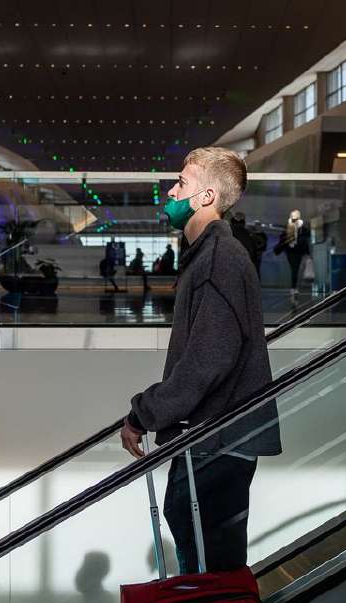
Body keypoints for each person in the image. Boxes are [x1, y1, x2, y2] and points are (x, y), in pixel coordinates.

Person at [120, 147, 282, 574]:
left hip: (216, 443)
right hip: (210, 439)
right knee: (210, 566)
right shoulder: (208, 257)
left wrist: (143, 414)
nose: (171, 190)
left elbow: (206, 363)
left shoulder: (219, 260)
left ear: (207, 196)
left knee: (215, 573)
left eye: (181, 183)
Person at [273, 209, 311, 299]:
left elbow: (305, 239)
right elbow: (283, 238)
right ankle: (294, 287)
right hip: (291, 251)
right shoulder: (290, 227)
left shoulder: (301, 228)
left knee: (295, 268)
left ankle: (294, 287)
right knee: (295, 268)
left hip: (296, 251)